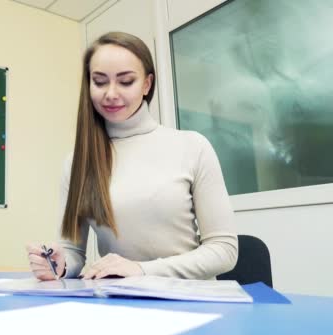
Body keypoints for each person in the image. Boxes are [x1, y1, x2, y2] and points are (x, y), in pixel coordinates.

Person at [26, 32, 238, 280]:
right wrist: (58, 266)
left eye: (126, 82)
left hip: (190, 301)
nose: (111, 93)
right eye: (100, 81)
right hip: (121, 303)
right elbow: (73, 251)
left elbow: (224, 251)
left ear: (147, 84)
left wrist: (142, 270)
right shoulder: (78, 162)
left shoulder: (192, 146)